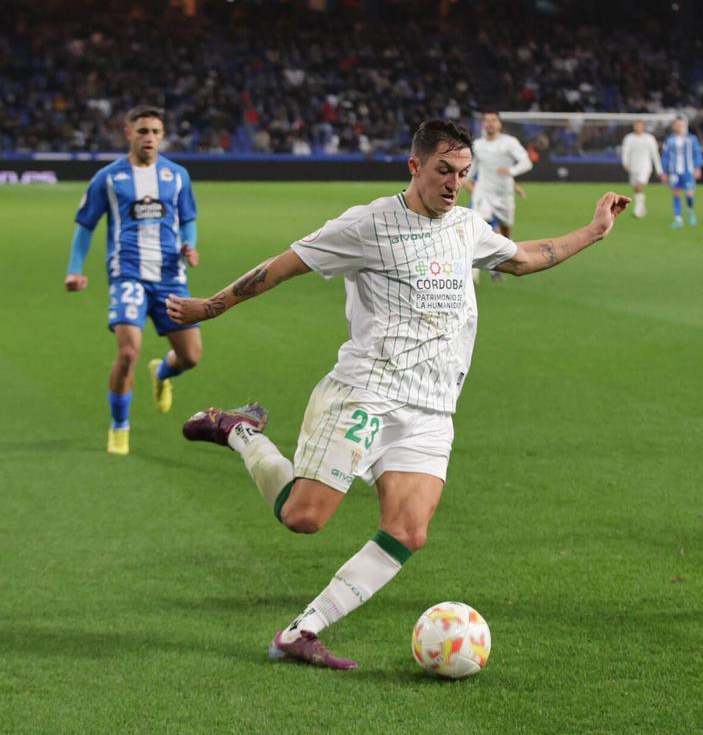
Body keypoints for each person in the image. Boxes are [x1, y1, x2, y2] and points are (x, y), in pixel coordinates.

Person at [166, 120, 629, 669]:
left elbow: (525, 258)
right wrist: (211, 306)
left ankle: (301, 630)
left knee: (409, 530)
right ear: (415, 167)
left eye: (463, 174)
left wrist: (593, 231)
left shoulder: (466, 226)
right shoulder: (368, 224)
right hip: (368, 392)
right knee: (304, 518)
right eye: (443, 171)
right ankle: (238, 431)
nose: (454, 184)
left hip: (433, 407)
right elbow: (283, 267)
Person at [65, 104, 203, 456]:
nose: (150, 138)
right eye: (143, 131)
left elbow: (188, 218)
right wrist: (75, 268)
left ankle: (162, 374)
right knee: (128, 353)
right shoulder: (109, 178)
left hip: (170, 277)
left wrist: (190, 244)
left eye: (156, 132)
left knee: (190, 357)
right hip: (127, 275)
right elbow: (85, 225)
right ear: (128, 134)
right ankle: (120, 427)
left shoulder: (177, 175)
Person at [466, 110, 533, 281]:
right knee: (481, 227)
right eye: (486, 120)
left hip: (504, 195)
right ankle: (474, 272)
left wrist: (511, 172)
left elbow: (527, 162)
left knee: (505, 233)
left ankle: (498, 266)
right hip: (483, 194)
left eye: (493, 120)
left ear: (499, 124)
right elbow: (470, 170)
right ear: (483, 124)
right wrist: (467, 183)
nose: (489, 123)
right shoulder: (478, 145)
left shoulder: (509, 143)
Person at [661, 117, 703, 229]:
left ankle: (690, 210)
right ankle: (678, 219)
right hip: (674, 172)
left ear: (685, 126)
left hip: (688, 171)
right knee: (676, 194)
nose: (679, 127)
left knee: (689, 194)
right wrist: (664, 172)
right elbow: (665, 157)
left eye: (681, 125)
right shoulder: (670, 140)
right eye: (677, 125)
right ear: (674, 126)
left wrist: (698, 167)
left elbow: (697, 154)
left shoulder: (692, 139)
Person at [620, 119, 664, 219]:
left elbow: (655, 154)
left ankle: (637, 210)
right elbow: (625, 151)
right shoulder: (629, 138)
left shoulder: (649, 138)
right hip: (633, 166)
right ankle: (642, 207)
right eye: (636, 125)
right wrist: (625, 162)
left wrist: (659, 169)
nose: (638, 127)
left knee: (639, 186)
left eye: (640, 125)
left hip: (645, 166)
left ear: (643, 127)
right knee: (636, 188)